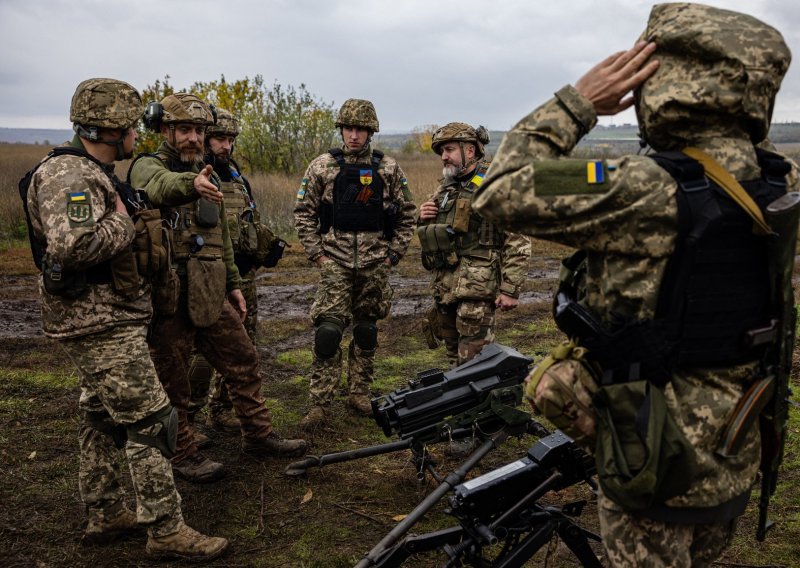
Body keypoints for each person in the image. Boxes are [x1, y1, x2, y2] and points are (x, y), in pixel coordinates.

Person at [473, 4, 795, 567]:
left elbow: (499, 189)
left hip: (652, 458)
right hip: (734, 445)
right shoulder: (779, 179)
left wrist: (579, 102)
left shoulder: (643, 186)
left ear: (665, 81)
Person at [24, 78, 228, 560]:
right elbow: (73, 246)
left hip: (109, 315)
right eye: (132, 126)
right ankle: (165, 528)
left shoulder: (96, 171)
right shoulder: (70, 175)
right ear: (112, 130)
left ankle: (105, 512)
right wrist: (122, 219)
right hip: (98, 320)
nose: (138, 135)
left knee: (97, 414)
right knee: (153, 420)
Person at [128, 93, 306, 483]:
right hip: (167, 293)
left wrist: (234, 284)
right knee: (173, 381)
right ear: (165, 130)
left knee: (243, 360)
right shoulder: (147, 166)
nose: (193, 138)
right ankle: (182, 454)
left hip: (211, 288)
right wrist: (193, 183)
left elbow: (222, 236)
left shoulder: (211, 172)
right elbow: (159, 188)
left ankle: (258, 436)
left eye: (198, 130)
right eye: (185, 130)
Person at [293, 98, 417, 429]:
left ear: (370, 132)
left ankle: (358, 393)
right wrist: (317, 252)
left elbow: (408, 213)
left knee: (366, 331)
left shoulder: (388, 168)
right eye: (348, 128)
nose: (353, 135)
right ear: (341, 130)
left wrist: (395, 252)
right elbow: (303, 211)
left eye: (360, 129)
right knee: (328, 332)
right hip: (334, 261)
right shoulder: (322, 166)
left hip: (376, 263)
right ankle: (320, 402)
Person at [187, 108, 282, 436]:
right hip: (206, 277)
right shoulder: (193, 177)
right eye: (219, 138)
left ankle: (222, 409)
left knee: (244, 346)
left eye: (230, 140)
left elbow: (247, 224)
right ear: (205, 139)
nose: (225, 146)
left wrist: (260, 251)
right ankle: (187, 418)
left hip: (243, 276)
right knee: (201, 353)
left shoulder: (237, 179)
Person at [417, 122, 530, 368]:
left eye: (448, 150)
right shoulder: (446, 186)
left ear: (469, 151)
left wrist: (510, 288)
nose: (443, 157)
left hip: (478, 288)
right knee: (454, 362)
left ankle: (481, 406)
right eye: (441, 152)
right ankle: (462, 405)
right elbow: (439, 231)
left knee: (476, 363)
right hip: (445, 288)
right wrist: (423, 215)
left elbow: (518, 237)